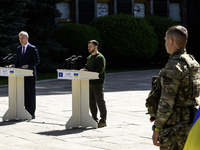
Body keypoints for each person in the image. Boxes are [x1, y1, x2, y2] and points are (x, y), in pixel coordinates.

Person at [150, 25, 200, 149]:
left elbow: (166, 102)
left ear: (171, 41)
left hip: (173, 127)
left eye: (166, 40)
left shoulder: (173, 67)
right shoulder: (193, 62)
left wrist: (157, 127)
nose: (165, 43)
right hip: (190, 123)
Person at [10, 31, 40, 119]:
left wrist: (28, 65)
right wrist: (14, 65)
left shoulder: (32, 48)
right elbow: (18, 61)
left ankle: (31, 113)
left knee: (30, 94)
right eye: (20, 38)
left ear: (27, 38)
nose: (21, 40)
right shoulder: (19, 48)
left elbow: (37, 61)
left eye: (22, 38)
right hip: (21, 75)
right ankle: (25, 111)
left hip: (30, 74)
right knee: (24, 94)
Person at [83, 40, 107, 127]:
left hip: (98, 83)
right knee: (91, 102)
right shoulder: (89, 57)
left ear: (95, 47)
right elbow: (86, 67)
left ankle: (103, 120)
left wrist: (88, 71)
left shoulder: (100, 57)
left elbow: (100, 70)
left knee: (100, 101)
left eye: (90, 46)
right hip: (89, 82)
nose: (89, 48)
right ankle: (94, 119)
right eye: (88, 46)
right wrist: (83, 70)